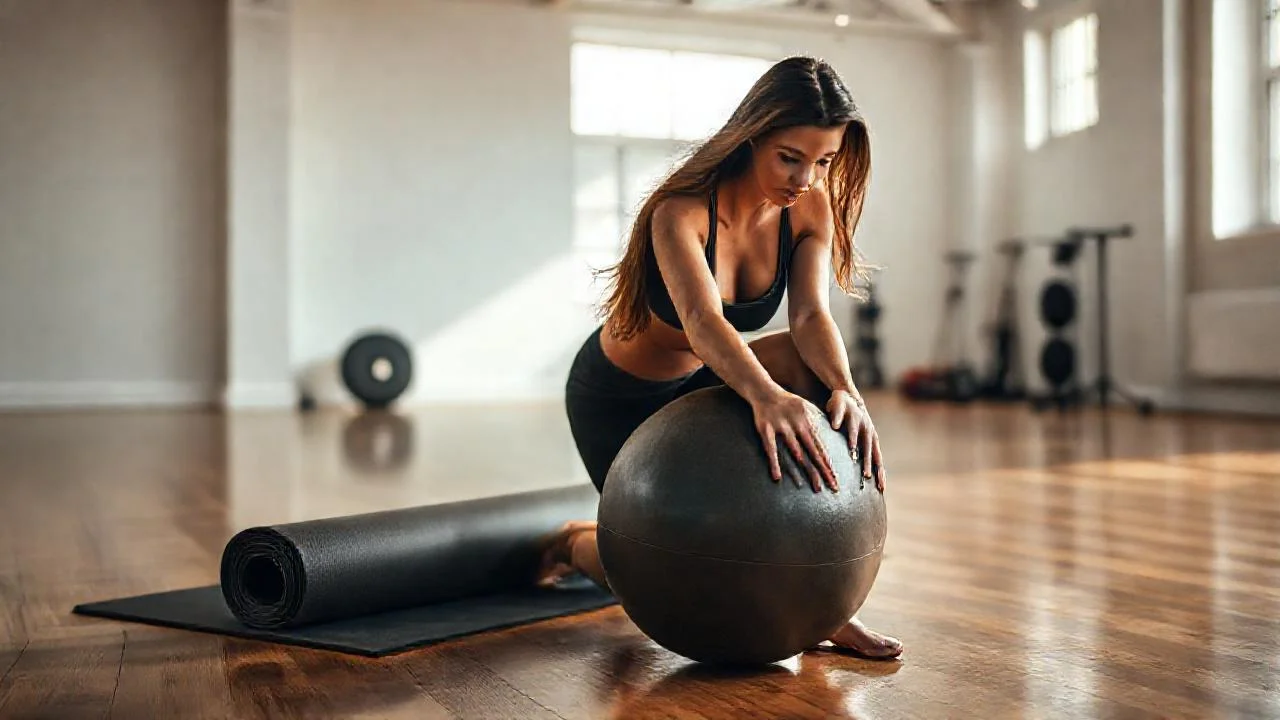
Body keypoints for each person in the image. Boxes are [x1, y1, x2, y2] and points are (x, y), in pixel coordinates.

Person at [539, 55, 902, 660]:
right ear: (751, 137)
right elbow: (704, 322)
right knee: (648, 566)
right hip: (620, 396)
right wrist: (765, 396)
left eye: (824, 161)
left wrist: (847, 391)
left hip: (708, 376)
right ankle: (570, 543)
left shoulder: (809, 208)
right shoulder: (679, 212)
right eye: (790, 157)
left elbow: (810, 317)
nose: (805, 179)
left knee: (811, 370)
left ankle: (826, 608)